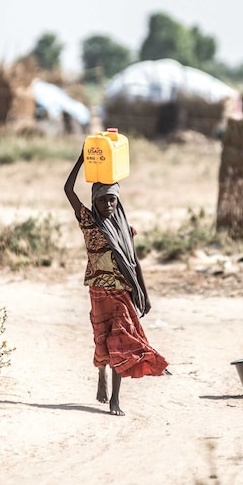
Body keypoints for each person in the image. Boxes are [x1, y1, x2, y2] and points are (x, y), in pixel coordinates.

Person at [64, 150, 169, 416]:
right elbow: (68, 189)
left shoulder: (124, 228)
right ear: (95, 201)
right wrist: (83, 159)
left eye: (113, 200)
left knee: (120, 341)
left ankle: (115, 399)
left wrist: (144, 293)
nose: (108, 205)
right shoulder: (88, 222)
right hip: (99, 291)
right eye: (103, 201)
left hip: (122, 292)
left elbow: (135, 261)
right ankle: (101, 375)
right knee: (102, 340)